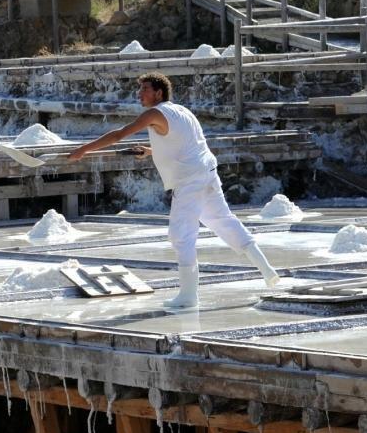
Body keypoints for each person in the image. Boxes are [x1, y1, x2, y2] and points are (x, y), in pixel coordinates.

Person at [66, 72, 279, 308]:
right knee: (224, 221)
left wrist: (83, 150)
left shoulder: (154, 113)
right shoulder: (182, 111)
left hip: (189, 180)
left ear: (159, 92)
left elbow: (119, 134)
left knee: (181, 236)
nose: (140, 94)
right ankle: (268, 271)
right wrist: (149, 151)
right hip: (206, 173)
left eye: (145, 89)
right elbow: (183, 146)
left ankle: (188, 296)